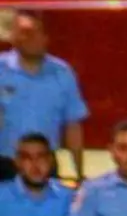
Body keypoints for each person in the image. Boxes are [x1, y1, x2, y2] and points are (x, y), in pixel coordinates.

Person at [0, 10, 88, 181]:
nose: (32, 38)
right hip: (4, 164)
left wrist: (79, 174)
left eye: (37, 32)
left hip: (46, 165)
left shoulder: (62, 73)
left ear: (46, 37)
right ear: (13, 37)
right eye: (25, 32)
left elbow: (73, 126)